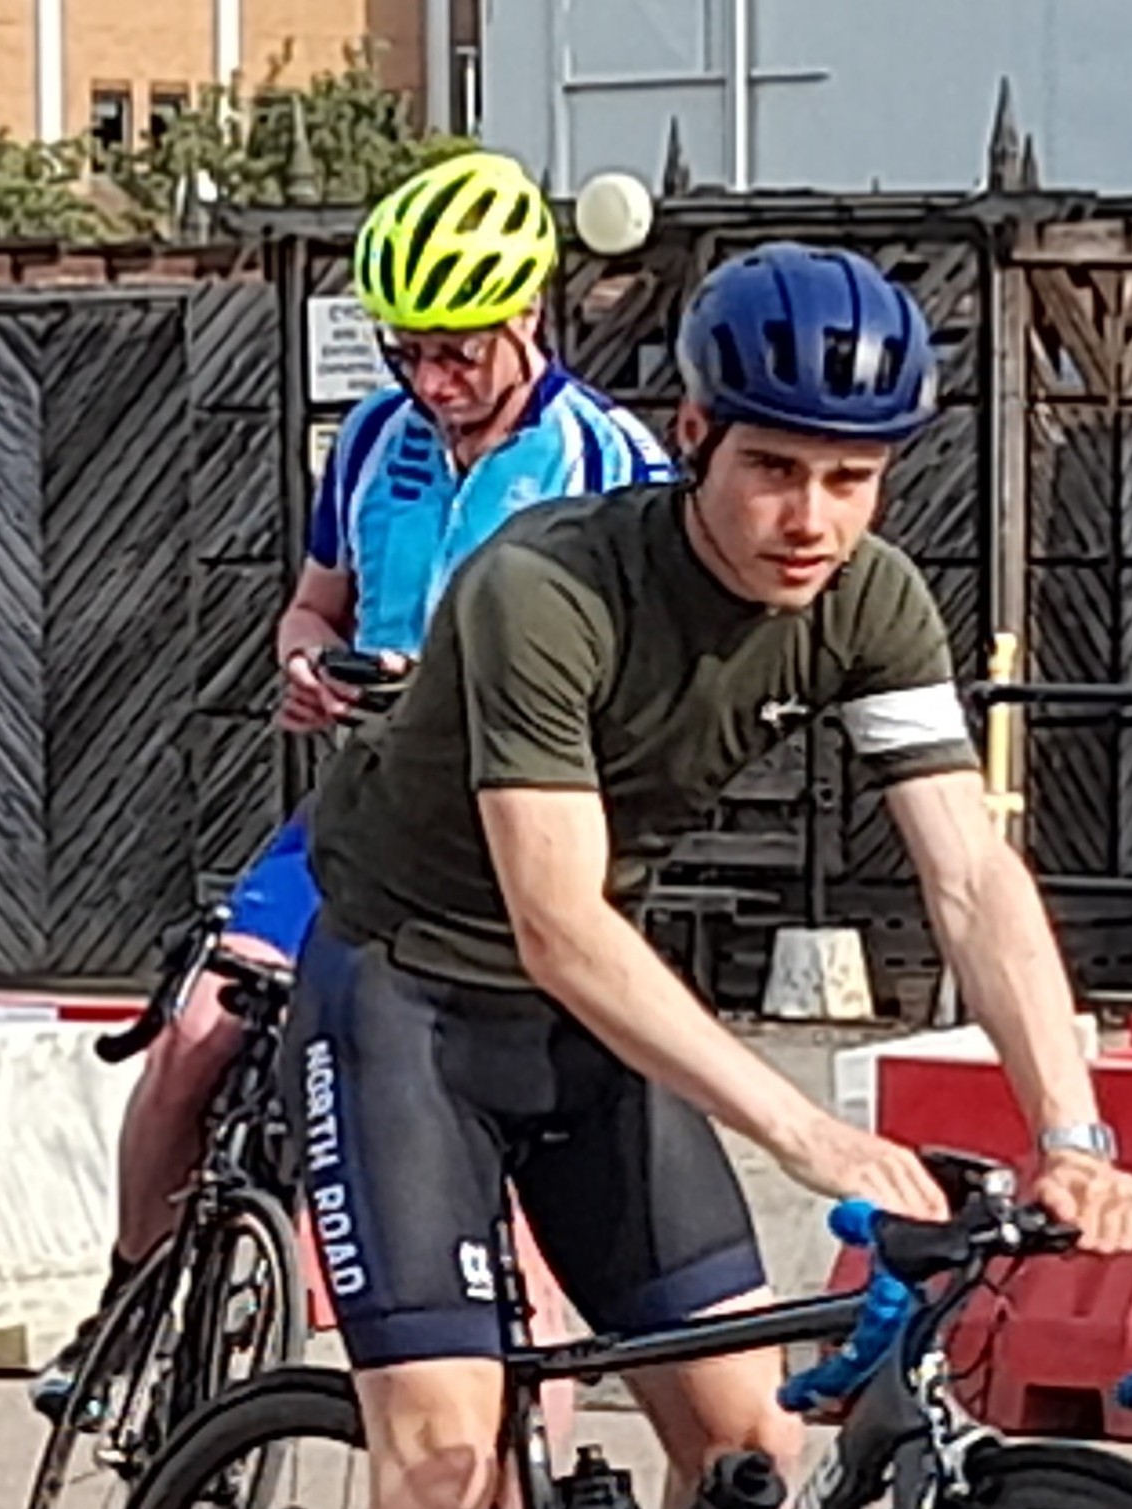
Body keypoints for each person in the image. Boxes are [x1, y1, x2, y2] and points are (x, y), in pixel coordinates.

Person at [286, 239, 1132, 1509]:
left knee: (749, 1438)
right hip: (407, 993)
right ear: (689, 435)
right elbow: (553, 920)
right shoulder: (544, 584)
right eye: (772, 468)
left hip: (587, 1023)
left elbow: (965, 875)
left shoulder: (868, 602)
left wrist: (1073, 1135)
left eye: (850, 476)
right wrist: (804, 1133)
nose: (808, 518)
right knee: (440, 1454)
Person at [34, 149, 674, 1415]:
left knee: (498, 1212)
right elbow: (308, 608)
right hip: (354, 814)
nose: (431, 383)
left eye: (458, 354)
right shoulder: (377, 437)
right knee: (193, 1036)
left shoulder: (607, 465)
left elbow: (645, 700)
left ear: (526, 315)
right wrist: (313, 667)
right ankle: (125, 1302)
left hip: (514, 844)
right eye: (405, 352)